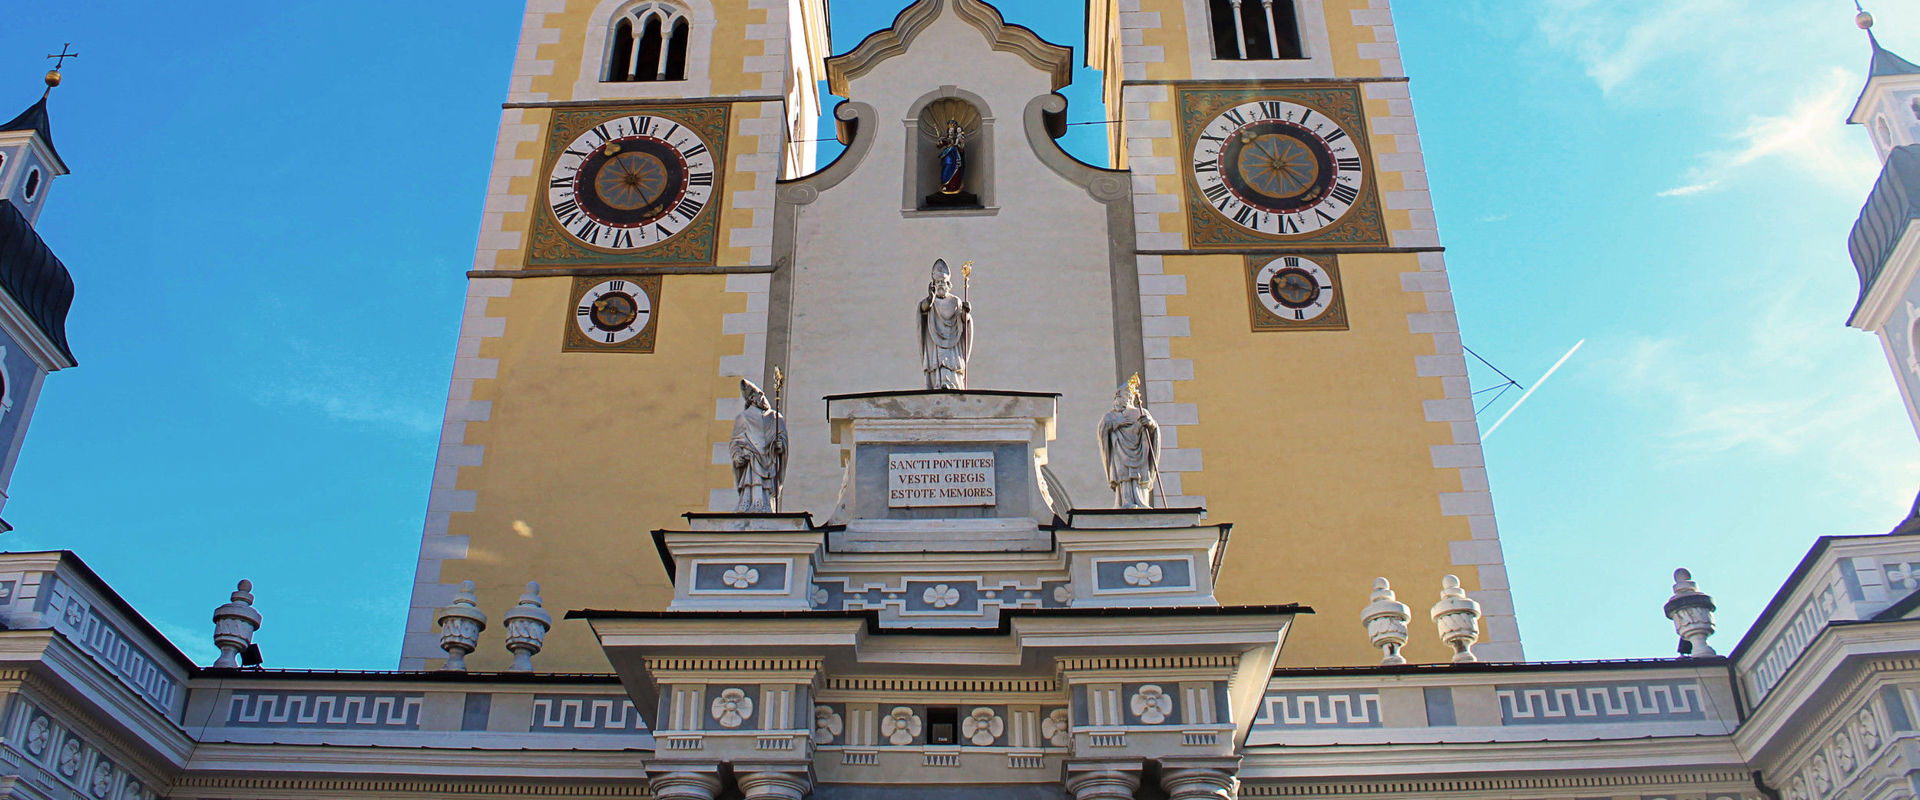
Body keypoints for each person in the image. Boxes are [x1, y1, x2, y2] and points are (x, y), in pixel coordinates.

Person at [1098, 377, 1160, 509]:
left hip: (1140, 453)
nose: (1120, 398)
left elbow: (1153, 429)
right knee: (1124, 476)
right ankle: (1125, 502)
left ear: (1130, 396)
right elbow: (1103, 430)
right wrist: (1116, 424)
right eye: (1119, 395)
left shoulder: (1140, 413)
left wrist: (1151, 425)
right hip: (1120, 453)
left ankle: (1141, 501)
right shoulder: (1111, 416)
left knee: (1139, 476)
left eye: (1124, 395)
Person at [729, 378, 787, 512]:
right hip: (752, 460)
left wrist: (779, 444)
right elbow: (736, 442)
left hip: (769, 460)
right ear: (752, 398)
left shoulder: (774, 417)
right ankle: (750, 505)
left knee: (765, 488)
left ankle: (765, 505)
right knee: (752, 484)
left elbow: (781, 437)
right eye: (759, 395)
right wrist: (739, 455)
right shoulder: (743, 417)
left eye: (762, 395)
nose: (763, 397)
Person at [917, 260, 972, 390]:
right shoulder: (931, 302)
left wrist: (966, 312)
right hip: (934, 342)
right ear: (933, 285)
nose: (941, 285)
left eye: (943, 282)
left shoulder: (955, 301)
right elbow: (923, 309)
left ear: (948, 284)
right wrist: (930, 298)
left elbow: (963, 320)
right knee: (937, 365)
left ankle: (952, 385)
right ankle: (937, 383)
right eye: (938, 282)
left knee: (951, 366)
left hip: (953, 343)